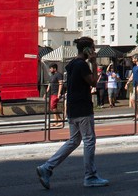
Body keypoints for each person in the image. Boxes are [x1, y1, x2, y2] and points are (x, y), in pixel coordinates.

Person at [36, 36, 109, 189]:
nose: (94, 51)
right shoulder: (82, 65)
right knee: (89, 140)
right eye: (92, 48)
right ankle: (90, 176)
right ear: (87, 50)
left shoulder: (72, 64)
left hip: (72, 108)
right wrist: (94, 62)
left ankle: (47, 167)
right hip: (83, 108)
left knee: (74, 141)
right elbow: (93, 82)